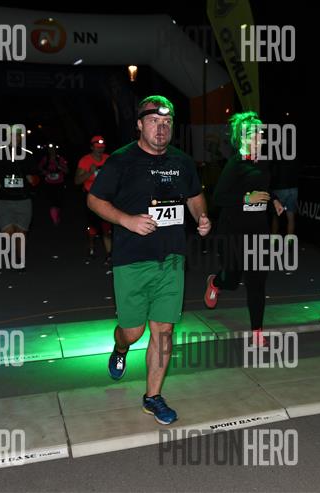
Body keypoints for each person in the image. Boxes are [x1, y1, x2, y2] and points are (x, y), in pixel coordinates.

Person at [88, 95, 211, 425]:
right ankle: (121, 348)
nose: (161, 128)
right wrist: (126, 220)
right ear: (140, 125)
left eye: (167, 122)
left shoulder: (182, 161)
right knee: (133, 331)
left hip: (171, 259)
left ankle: (152, 397)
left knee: (164, 330)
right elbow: (94, 200)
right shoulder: (121, 160)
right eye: (155, 121)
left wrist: (201, 217)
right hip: (132, 259)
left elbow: (195, 195)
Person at [203, 111, 284, 347]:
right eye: (254, 133)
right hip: (234, 233)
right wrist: (247, 198)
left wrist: (274, 199)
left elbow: (264, 188)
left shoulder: (264, 162)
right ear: (242, 138)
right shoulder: (235, 164)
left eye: (260, 133)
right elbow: (218, 197)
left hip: (258, 232)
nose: (259, 137)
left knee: (257, 283)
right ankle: (216, 283)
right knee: (232, 279)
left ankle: (257, 332)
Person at [0, 125, 39, 268]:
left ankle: (19, 260)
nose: (15, 138)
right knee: (8, 233)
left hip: (23, 200)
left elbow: (37, 176)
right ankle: (13, 252)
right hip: (3, 200)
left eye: (17, 136)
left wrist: (33, 179)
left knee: (20, 234)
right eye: (11, 135)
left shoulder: (27, 154)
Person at [76, 135, 111, 263]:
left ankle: (109, 255)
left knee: (106, 226)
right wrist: (89, 172)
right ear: (92, 147)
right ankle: (91, 248)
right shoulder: (85, 160)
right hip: (90, 196)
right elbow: (77, 181)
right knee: (92, 226)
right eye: (97, 147)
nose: (100, 149)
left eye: (102, 147)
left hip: (106, 197)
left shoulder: (109, 159)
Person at [38, 144, 68, 226]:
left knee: (59, 201)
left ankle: (56, 215)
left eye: (54, 149)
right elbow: (39, 167)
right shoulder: (45, 159)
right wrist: (44, 171)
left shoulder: (60, 159)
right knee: (52, 201)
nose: (52, 151)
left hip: (59, 183)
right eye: (50, 149)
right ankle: (55, 219)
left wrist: (59, 167)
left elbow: (67, 171)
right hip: (49, 183)